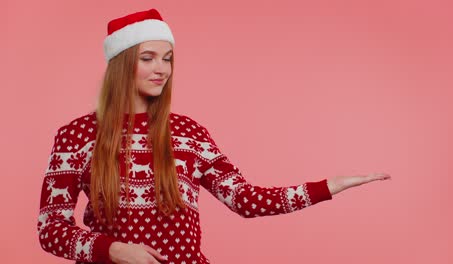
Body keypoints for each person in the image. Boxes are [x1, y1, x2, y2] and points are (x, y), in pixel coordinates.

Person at [36, 8, 391, 264]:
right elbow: (50, 228)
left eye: (168, 58)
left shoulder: (188, 133)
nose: (162, 69)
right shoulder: (77, 136)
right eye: (148, 58)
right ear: (122, 64)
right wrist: (112, 249)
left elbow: (244, 199)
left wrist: (327, 186)